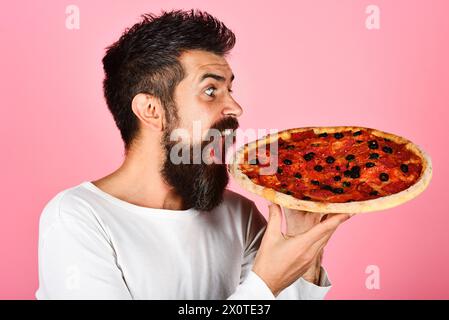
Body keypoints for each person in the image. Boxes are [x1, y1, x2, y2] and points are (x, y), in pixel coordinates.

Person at [36, 9, 351, 300]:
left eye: (230, 90)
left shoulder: (238, 214)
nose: (236, 109)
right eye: (211, 91)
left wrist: (306, 242)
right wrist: (265, 282)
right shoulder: (77, 218)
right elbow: (263, 293)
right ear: (151, 110)